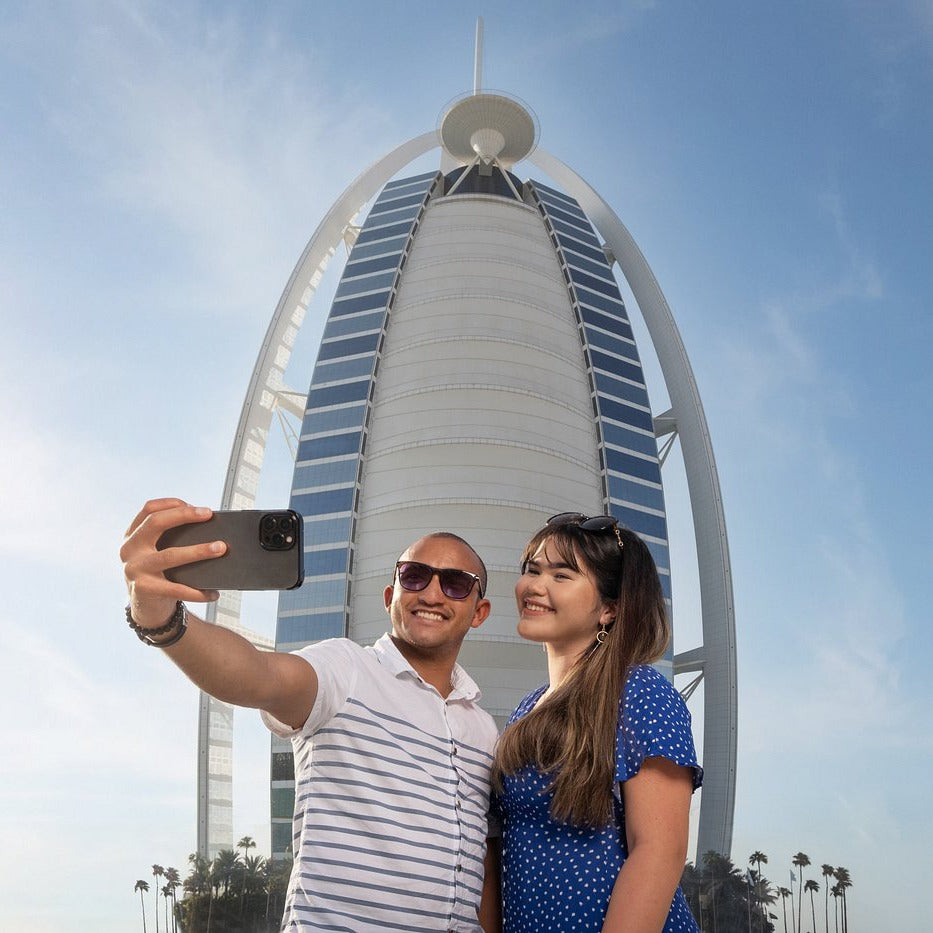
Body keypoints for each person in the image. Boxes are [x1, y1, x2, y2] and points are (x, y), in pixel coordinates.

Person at [121, 498, 501, 932]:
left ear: (479, 612)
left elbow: (481, 858)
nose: (432, 593)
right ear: (390, 596)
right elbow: (258, 675)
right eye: (415, 576)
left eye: (455, 583)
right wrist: (160, 617)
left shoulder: (483, 729)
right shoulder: (346, 670)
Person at [492, 512, 702, 932]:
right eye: (532, 570)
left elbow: (658, 852)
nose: (534, 586)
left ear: (609, 609)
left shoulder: (640, 691)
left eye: (561, 575)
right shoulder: (527, 707)